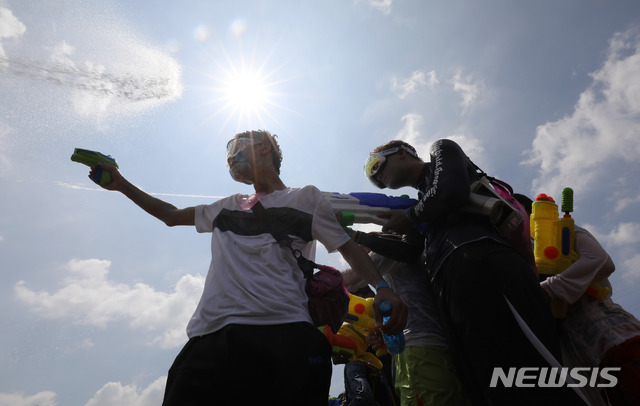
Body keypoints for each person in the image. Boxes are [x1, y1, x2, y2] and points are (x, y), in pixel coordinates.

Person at [87, 130, 407, 406]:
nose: (230, 159)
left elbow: (348, 247)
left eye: (236, 148)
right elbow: (171, 215)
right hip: (211, 340)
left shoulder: (306, 198)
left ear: (264, 147)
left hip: (288, 338)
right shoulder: (226, 207)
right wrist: (121, 183)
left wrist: (382, 288)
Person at [363, 138, 584, 405]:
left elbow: (451, 190)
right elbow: (410, 252)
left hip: (483, 260)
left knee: (528, 368)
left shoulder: (441, 150)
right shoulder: (424, 204)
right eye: (371, 177)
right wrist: (354, 237)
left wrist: (409, 217)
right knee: (486, 382)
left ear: (401, 152)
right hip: (448, 285)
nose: (376, 177)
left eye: (376, 165)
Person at [516, 194, 640, 406]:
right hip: (590, 370)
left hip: (615, 338)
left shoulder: (562, 231)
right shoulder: (522, 260)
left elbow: (601, 260)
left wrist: (546, 289)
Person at [341, 230, 470, 406]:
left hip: (419, 350)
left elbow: (347, 280)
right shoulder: (415, 251)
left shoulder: (391, 250)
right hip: (429, 347)